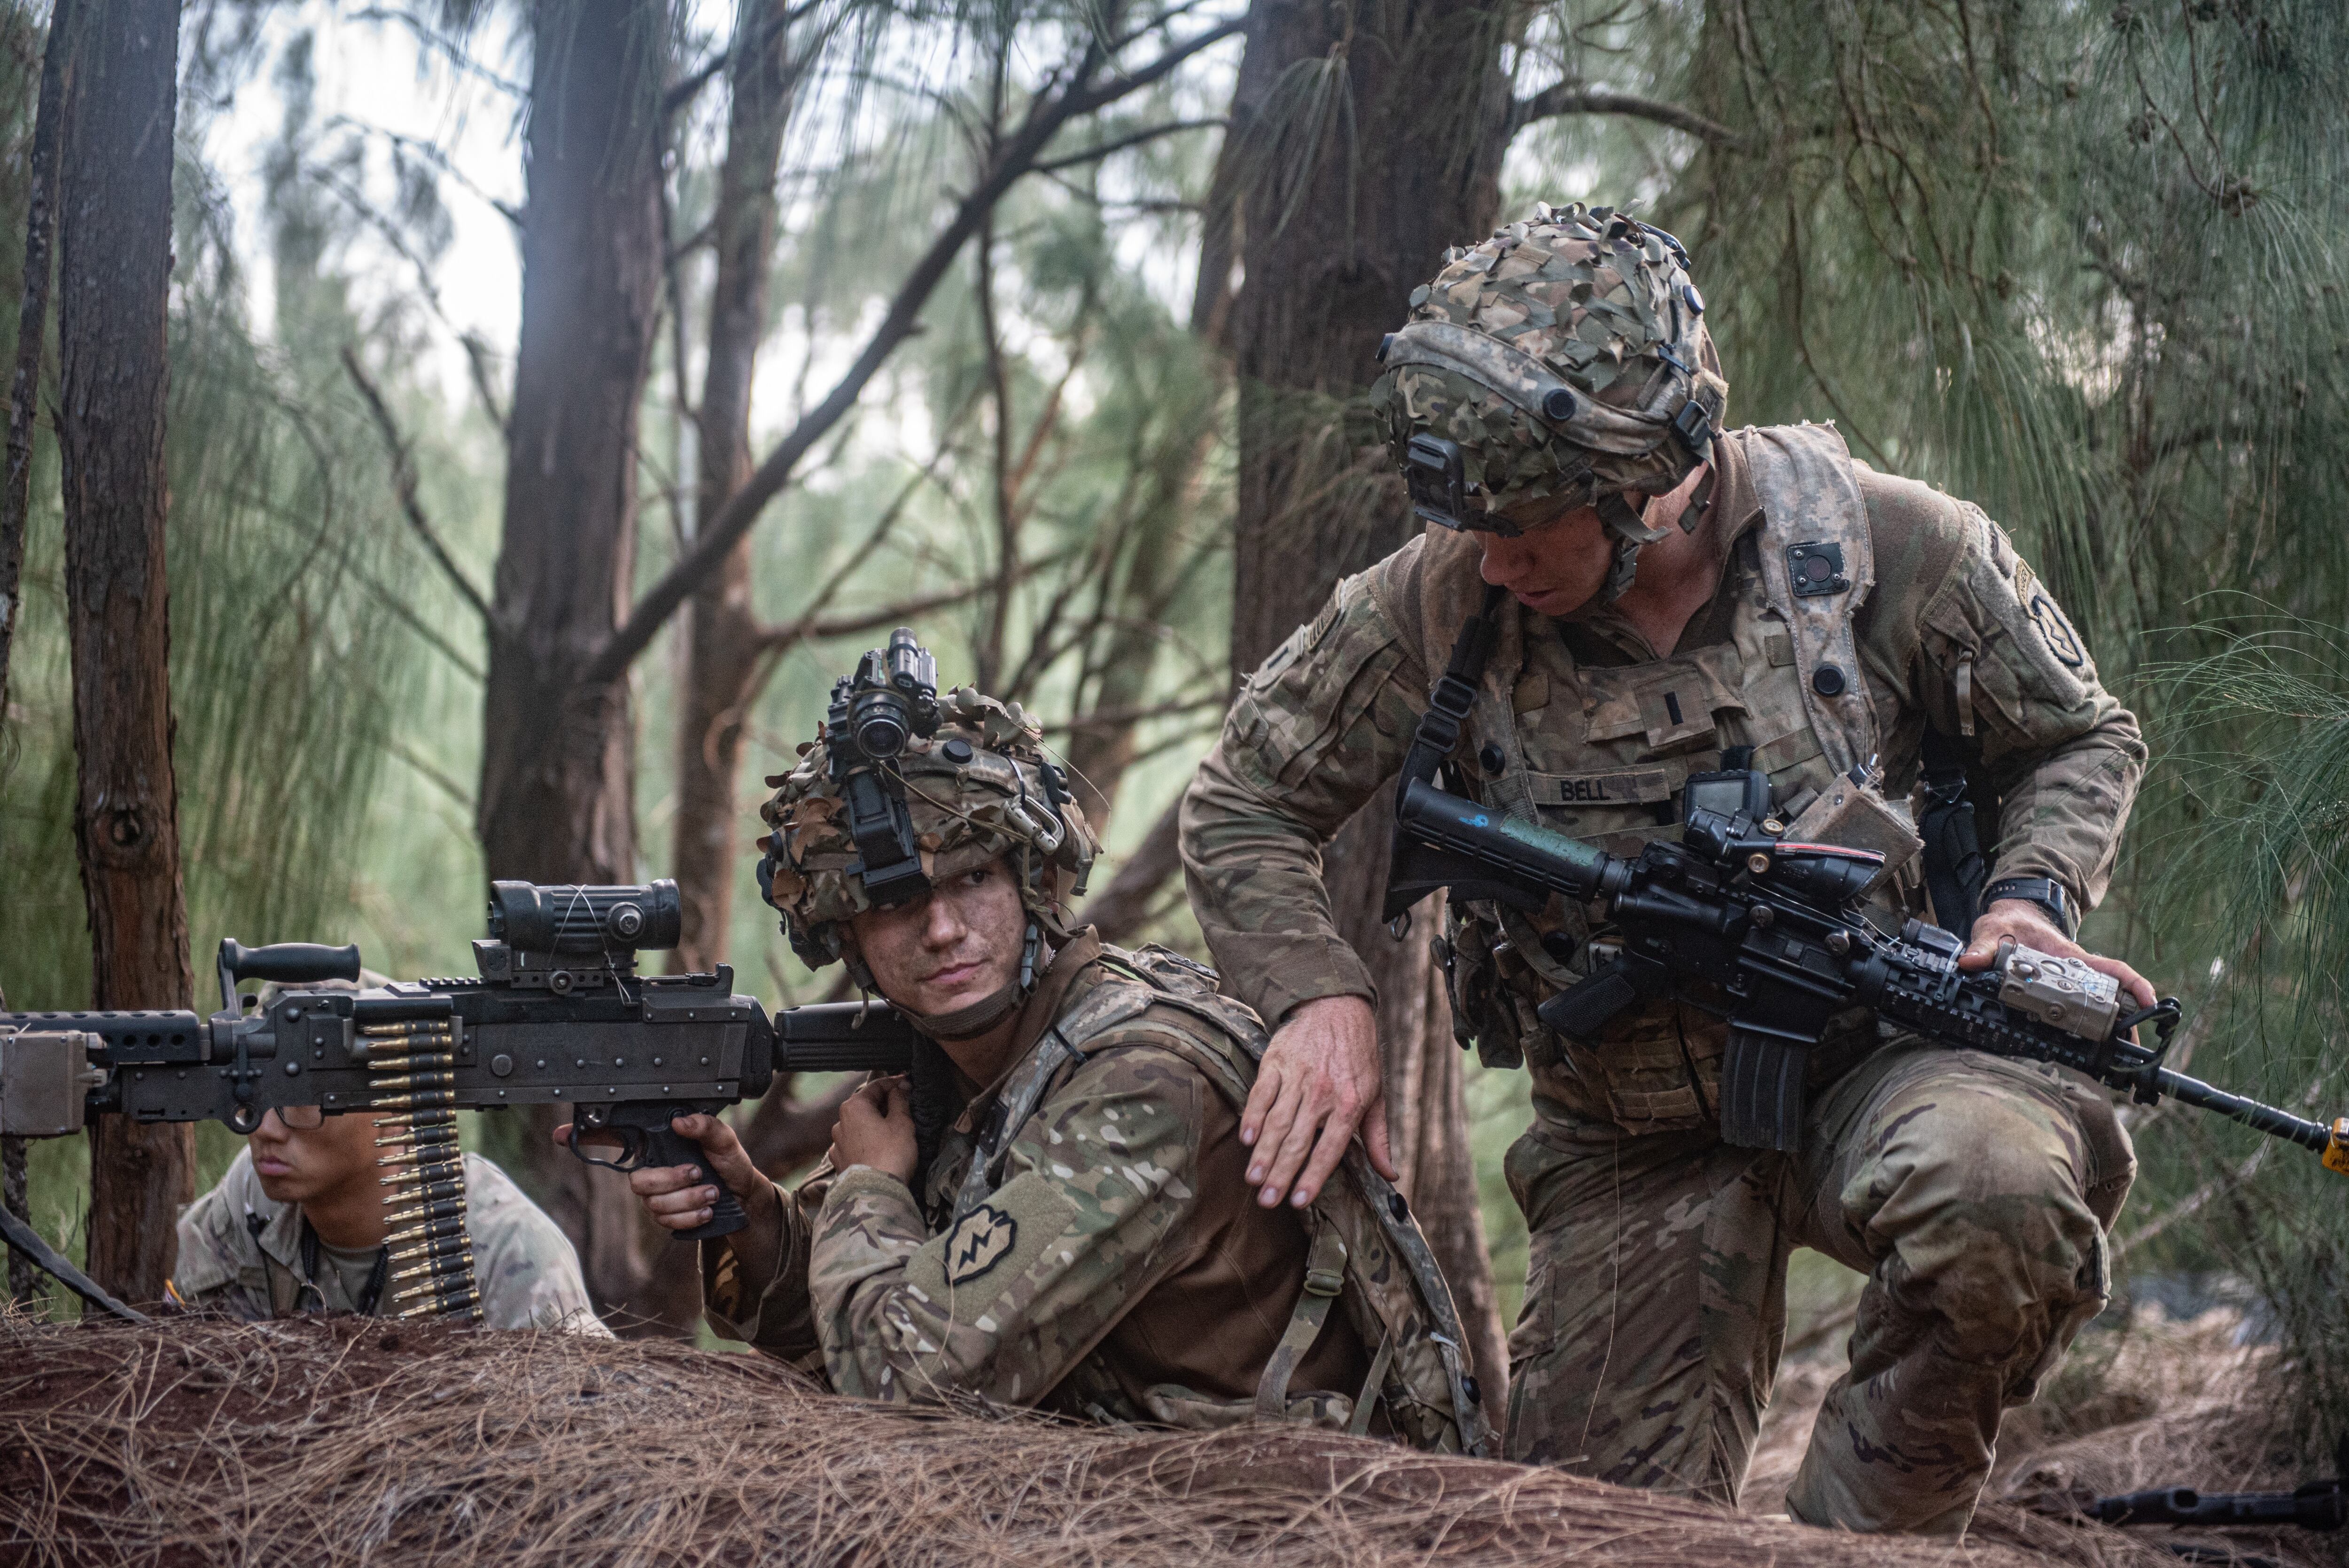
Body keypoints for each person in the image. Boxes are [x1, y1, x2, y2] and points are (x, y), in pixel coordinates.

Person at [1178, 202, 2145, 1532]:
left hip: (1884, 1055)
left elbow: (2081, 735)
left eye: (1529, 527)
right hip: (1630, 1134)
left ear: (1646, 477)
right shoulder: (1445, 596)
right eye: (1475, 526)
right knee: (1587, 1537)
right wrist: (1316, 994)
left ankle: (1861, 1546)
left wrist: (2033, 897)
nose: (1495, 560)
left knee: (2000, 1192)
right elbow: (1242, 797)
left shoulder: (1888, 546)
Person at [592, 669, 1484, 1449]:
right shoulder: (965, 1061)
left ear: (1032, 883)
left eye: (973, 878)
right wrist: (752, 1213)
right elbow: (838, 1321)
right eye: (896, 904)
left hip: (1282, 1508)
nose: (943, 929)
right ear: (848, 936)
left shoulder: (1138, 1085)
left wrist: (869, 1186)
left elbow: (899, 1386)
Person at [173, 1098, 607, 1333]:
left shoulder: (511, 1250)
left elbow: (585, 1429)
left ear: (396, 1111)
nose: (265, 1128)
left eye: (301, 1098)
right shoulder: (249, 1199)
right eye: (254, 1092)